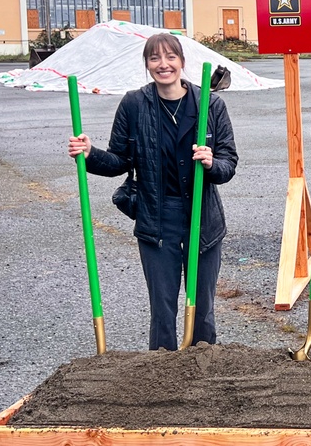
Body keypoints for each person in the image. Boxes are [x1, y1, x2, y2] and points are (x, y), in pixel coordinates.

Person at [68, 32, 238, 350]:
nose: (164, 65)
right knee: (163, 312)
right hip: (157, 219)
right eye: (155, 58)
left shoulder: (210, 104)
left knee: (202, 310)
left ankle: (205, 375)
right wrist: (90, 154)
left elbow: (229, 162)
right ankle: (163, 380)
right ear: (147, 64)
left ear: (182, 62)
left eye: (170, 57)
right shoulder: (134, 105)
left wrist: (212, 162)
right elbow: (119, 160)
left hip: (203, 220)